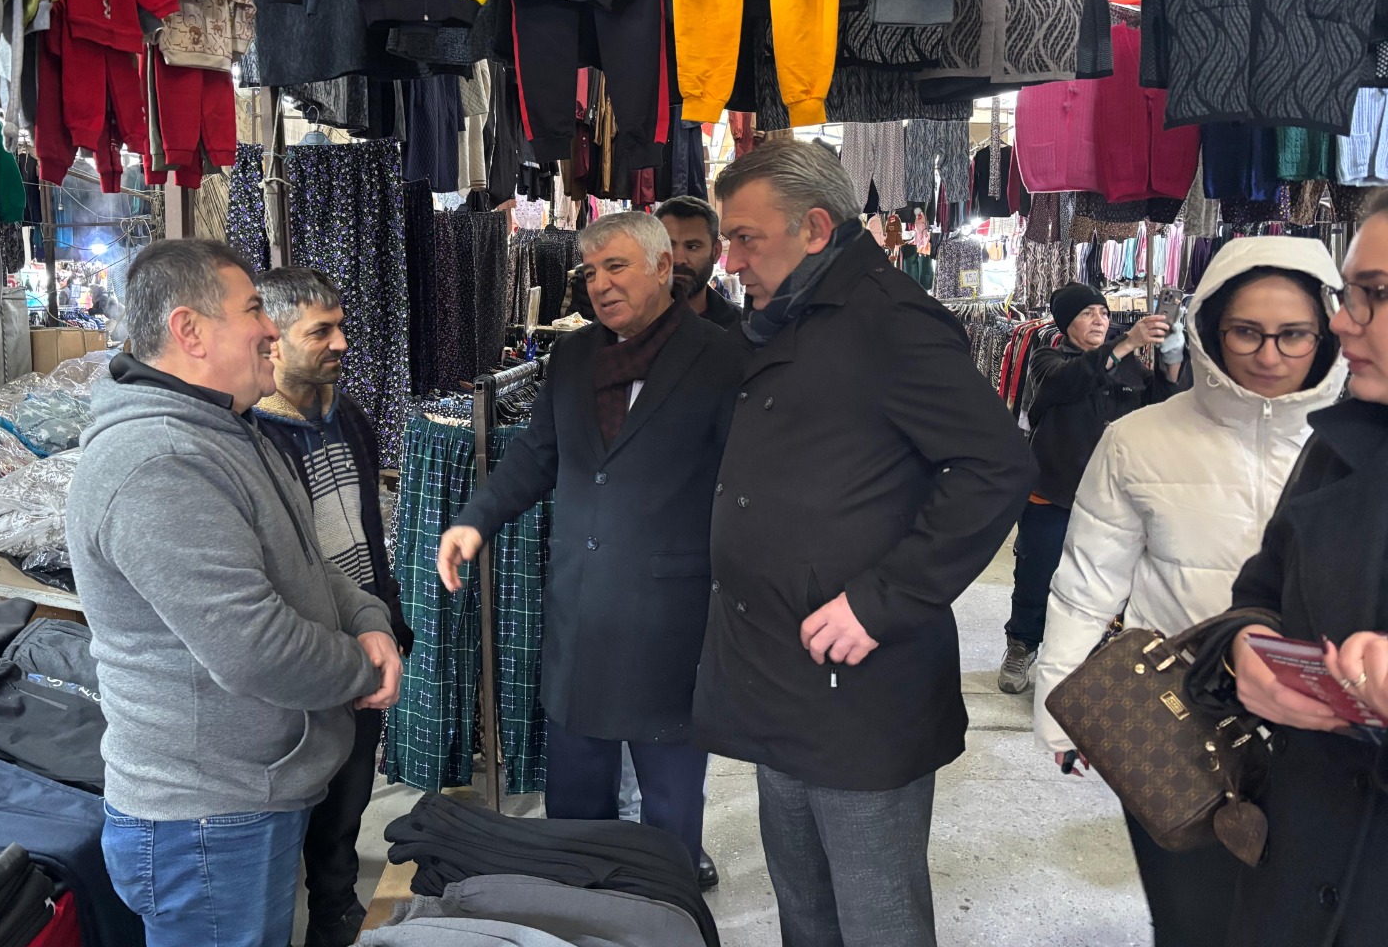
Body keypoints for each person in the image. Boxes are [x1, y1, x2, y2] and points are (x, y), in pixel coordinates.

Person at [697, 142, 1033, 947]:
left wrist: (883, 602)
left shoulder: (889, 320)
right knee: (805, 907)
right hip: (778, 668)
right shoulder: (787, 315)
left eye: (745, 239)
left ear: (815, 228)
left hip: (857, 686)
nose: (729, 260)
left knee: (875, 916)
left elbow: (995, 467)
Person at [67, 239, 402, 947]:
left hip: (239, 801)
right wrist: (363, 666)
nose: (269, 329)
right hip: (206, 819)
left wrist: (368, 617)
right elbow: (256, 648)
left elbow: (303, 567)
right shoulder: (161, 460)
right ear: (189, 330)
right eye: (253, 309)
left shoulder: (227, 429)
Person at [1032, 238, 1345, 947]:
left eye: (1294, 334)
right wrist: (1065, 713)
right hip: (1176, 728)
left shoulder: (1362, 447)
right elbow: (1086, 584)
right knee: (1194, 922)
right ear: (1210, 329)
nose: (1269, 355)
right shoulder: (1138, 440)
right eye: (1246, 332)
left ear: (1327, 332)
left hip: (1331, 738)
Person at [437, 211, 742, 876]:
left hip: (671, 618)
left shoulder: (722, 358)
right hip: (580, 612)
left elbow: (746, 485)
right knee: (574, 802)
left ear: (663, 268)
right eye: (592, 270)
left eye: (617, 267)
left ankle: (664, 904)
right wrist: (476, 519)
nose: (600, 284)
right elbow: (537, 454)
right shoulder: (573, 357)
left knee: (670, 808)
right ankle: (580, 905)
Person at [1181, 194, 1388, 947]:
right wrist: (1247, 650)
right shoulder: (1338, 449)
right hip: (1298, 863)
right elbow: (1259, 593)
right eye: (1347, 294)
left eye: (1375, 293)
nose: (1344, 323)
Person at [251, 268, 415, 947]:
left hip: (363, 632)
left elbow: (369, 532)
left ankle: (334, 909)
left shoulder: (347, 416)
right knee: (296, 794)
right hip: (300, 648)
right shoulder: (251, 436)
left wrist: (386, 618)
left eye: (341, 326)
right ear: (273, 338)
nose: (342, 343)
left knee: (350, 791)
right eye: (321, 331)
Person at [997, 284, 1181, 694]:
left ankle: (1088, 653)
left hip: (1112, 500)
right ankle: (1022, 644)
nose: (1100, 320)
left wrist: (1171, 360)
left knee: (1103, 581)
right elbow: (1073, 380)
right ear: (1066, 324)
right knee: (1036, 573)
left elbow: (1164, 407)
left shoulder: (1129, 367)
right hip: (1053, 491)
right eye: (1087, 313)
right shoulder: (1047, 359)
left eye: (1103, 312)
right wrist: (1128, 341)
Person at [656, 195, 742, 330]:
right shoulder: (629, 323)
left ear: (716, 252)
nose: (678, 260)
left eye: (692, 247)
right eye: (668, 246)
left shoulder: (741, 329)